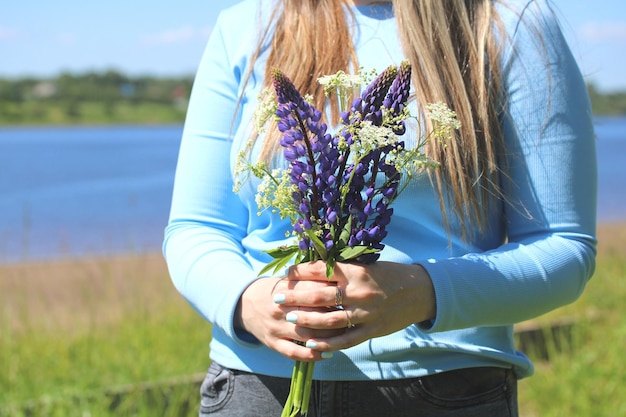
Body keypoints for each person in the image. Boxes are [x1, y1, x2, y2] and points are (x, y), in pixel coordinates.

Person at [163, 0, 597, 415]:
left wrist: (423, 292)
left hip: (443, 388)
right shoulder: (249, 25)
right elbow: (196, 227)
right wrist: (248, 301)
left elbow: (564, 245)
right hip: (255, 384)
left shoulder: (507, 21)